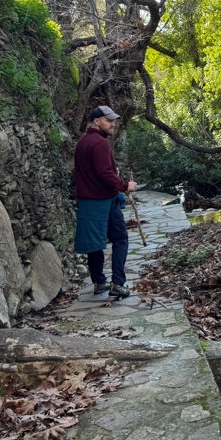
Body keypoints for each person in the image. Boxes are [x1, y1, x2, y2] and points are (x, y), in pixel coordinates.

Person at [73, 105, 138, 299]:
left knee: (95, 244)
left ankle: (99, 282)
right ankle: (117, 283)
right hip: (103, 201)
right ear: (97, 121)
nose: (113, 124)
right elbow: (105, 174)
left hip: (87, 201)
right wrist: (126, 185)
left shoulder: (83, 143)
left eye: (114, 120)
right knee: (120, 239)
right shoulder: (100, 144)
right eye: (108, 120)